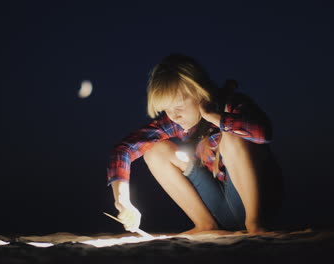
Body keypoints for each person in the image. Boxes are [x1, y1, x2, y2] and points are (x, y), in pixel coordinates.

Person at [106, 53, 284, 234]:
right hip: (220, 208)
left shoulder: (232, 105)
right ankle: (206, 226)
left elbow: (264, 133)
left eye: (179, 107)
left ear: (201, 94)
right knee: (155, 151)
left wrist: (213, 117)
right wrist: (123, 200)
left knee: (231, 137)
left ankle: (254, 224)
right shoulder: (175, 122)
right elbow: (124, 149)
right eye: (167, 109)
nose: (174, 116)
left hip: (258, 203)